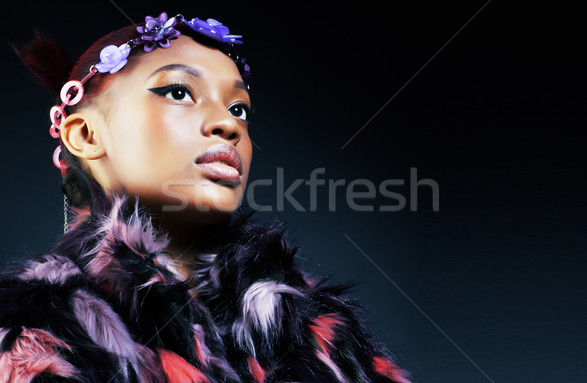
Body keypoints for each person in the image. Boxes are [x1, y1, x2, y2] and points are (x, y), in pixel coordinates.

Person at [0, 11, 412, 383]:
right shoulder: (30, 339)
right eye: (179, 92)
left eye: (240, 109)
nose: (227, 124)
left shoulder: (322, 331)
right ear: (85, 135)